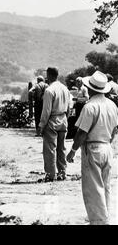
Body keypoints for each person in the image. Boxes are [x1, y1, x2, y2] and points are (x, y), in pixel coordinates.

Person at [66, 71, 118, 225]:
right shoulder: (112, 105)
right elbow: (115, 129)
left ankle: (99, 221)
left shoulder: (90, 106)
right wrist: (108, 142)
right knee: (105, 184)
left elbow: (82, 132)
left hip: (93, 147)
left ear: (91, 88)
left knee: (93, 188)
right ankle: (105, 215)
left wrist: (73, 151)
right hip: (107, 146)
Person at [39, 67, 71, 182]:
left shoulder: (49, 90)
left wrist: (42, 125)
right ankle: (62, 172)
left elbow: (46, 111)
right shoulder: (65, 89)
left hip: (52, 120)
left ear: (49, 75)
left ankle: (50, 174)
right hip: (63, 119)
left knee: (50, 149)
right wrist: (65, 119)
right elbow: (69, 107)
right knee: (61, 148)